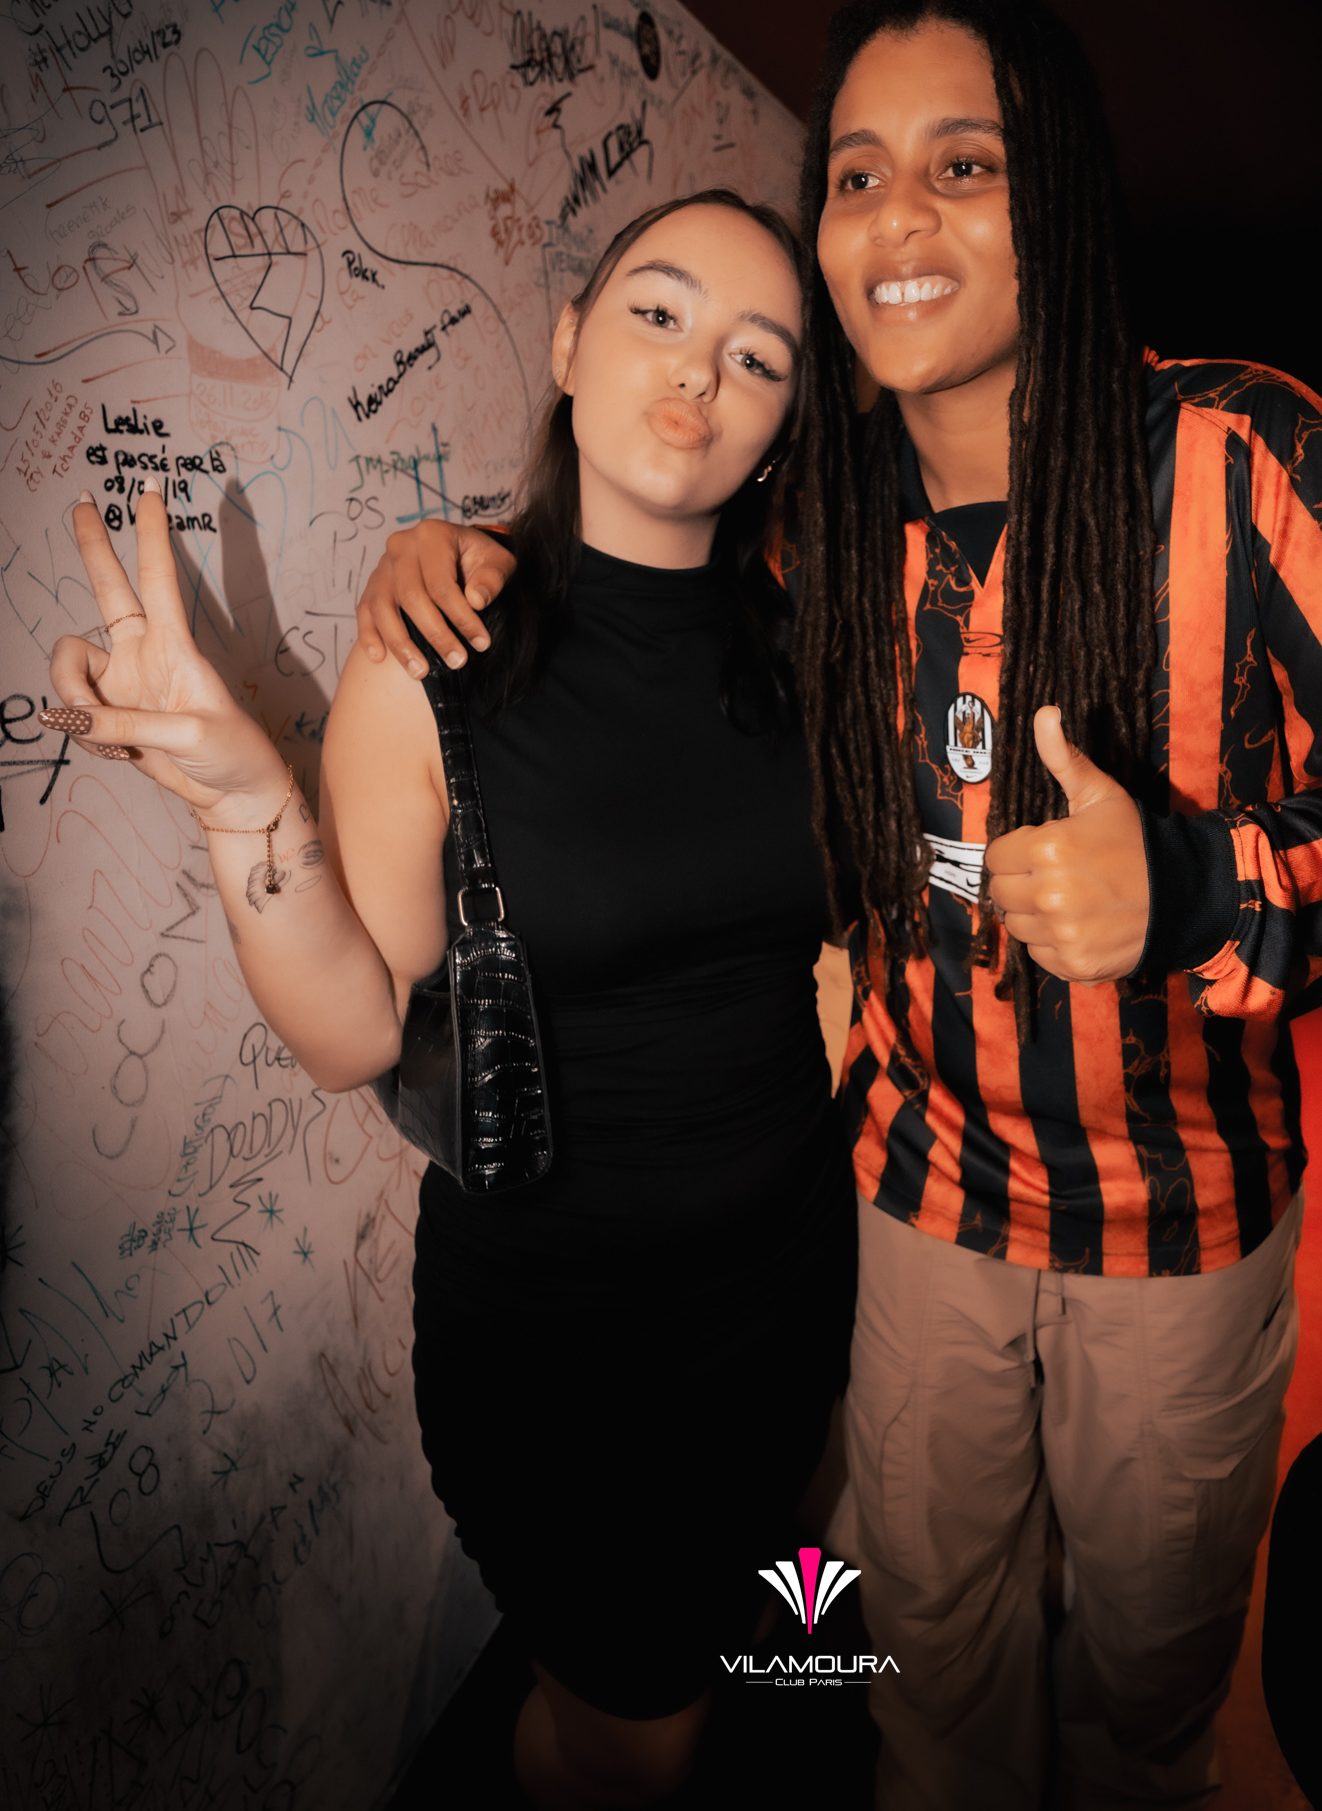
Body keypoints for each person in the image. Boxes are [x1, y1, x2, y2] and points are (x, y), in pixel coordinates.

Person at [356, 0, 1322, 1810]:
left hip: (1177, 1224)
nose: (899, 220)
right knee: (917, 1679)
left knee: (1140, 1701)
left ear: (1051, 196)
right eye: (856, 175)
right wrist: (447, 551)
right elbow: (627, 578)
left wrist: (1216, 893)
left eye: (964, 165)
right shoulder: (815, 528)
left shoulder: (1235, 453)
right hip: (910, 1210)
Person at [44, 189, 856, 1811]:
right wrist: (243, 807)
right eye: (658, 311)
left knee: (752, 1636)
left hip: (785, 1292)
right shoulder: (438, 652)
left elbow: (824, 954)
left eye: (759, 357)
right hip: (563, 1343)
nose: (698, 372)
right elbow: (358, 1026)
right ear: (568, 342)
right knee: (634, 1744)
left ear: (784, 427)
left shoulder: (812, 652)